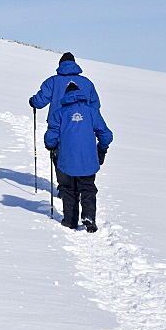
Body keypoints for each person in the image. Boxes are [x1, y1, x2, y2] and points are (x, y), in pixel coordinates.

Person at [45, 81, 113, 232]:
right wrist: (102, 148)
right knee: (88, 188)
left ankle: (70, 221)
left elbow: (51, 136)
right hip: (88, 160)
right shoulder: (91, 112)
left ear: (66, 96)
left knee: (68, 189)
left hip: (66, 159)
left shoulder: (59, 113)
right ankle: (88, 216)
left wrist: (50, 146)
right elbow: (106, 135)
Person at [30, 52, 100, 122]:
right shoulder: (87, 82)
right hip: (82, 122)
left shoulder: (53, 81)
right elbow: (95, 105)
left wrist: (33, 101)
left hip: (58, 122)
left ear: (60, 64)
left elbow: (40, 102)